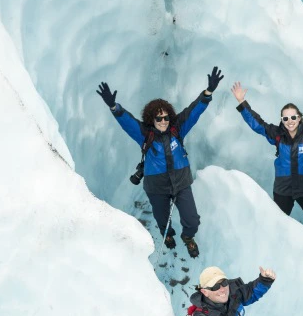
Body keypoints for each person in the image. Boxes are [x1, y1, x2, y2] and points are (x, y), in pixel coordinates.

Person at [96, 67, 224, 258]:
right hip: (157, 187)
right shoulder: (145, 134)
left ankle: (188, 238)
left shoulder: (177, 129)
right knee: (162, 219)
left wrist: (208, 92)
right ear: (151, 119)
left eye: (165, 117)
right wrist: (115, 107)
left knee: (192, 220)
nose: (163, 121)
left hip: (181, 183)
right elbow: (128, 122)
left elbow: (193, 111)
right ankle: (168, 235)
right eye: (158, 118)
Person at [230, 81, 303, 230]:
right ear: (282, 120)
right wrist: (241, 101)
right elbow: (257, 124)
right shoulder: (277, 135)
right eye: (285, 118)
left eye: (293, 117)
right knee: (278, 217)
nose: (289, 121)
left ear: (299, 118)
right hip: (283, 186)